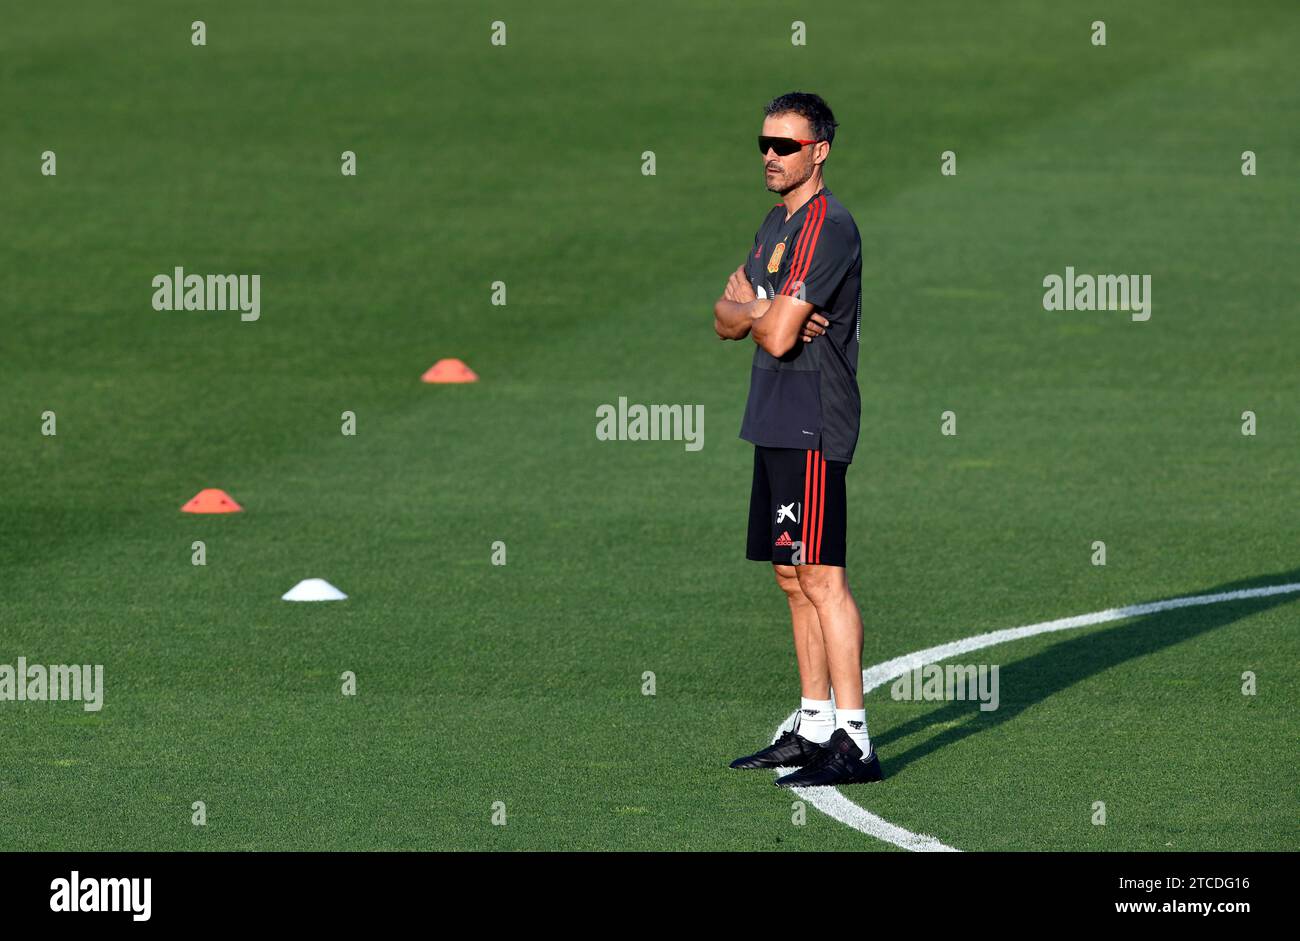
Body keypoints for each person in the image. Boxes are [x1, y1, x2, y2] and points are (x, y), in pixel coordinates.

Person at [713, 91, 881, 786]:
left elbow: (779, 332)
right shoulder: (776, 223)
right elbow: (725, 317)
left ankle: (855, 739)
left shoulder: (825, 226)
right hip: (774, 412)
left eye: (785, 146)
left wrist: (758, 309)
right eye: (764, 144)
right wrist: (760, 306)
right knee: (790, 575)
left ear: (820, 150)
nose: (771, 158)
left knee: (823, 576)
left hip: (814, 415)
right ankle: (813, 724)